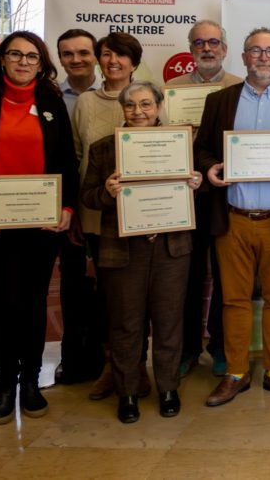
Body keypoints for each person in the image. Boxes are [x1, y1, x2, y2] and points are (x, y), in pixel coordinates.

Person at [0, 31, 77, 424]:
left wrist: (67, 206)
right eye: (15, 54)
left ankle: (31, 383)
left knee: (33, 304)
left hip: (41, 223)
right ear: (1, 59)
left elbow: (66, 159)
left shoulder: (51, 100)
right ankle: (6, 384)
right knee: (1, 304)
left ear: (41, 63)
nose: (23, 62)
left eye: (32, 56)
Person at [194, 28, 270, 406]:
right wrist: (211, 168)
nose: (263, 58)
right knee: (234, 300)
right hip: (233, 219)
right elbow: (202, 149)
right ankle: (236, 372)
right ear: (243, 57)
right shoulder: (219, 101)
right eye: (256, 51)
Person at [80, 81, 202, 423]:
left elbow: (196, 188)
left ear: (159, 106)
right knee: (125, 324)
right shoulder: (104, 148)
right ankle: (128, 392)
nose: (138, 111)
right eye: (131, 105)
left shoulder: (181, 144)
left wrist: (196, 184)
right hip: (122, 249)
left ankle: (168, 388)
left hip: (171, 247)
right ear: (122, 109)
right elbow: (88, 196)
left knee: (169, 321)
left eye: (146, 104)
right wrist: (106, 192)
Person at [71, 31, 149, 400]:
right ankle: (113, 367)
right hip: (99, 215)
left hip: (146, 216)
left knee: (143, 298)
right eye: (106, 54)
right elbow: (76, 156)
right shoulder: (85, 102)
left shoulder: (148, 97)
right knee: (110, 299)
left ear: (134, 62)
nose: (113, 61)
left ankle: (140, 366)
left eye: (121, 55)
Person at [169, 19, 241, 379]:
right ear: (191, 49)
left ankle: (221, 347)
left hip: (226, 192)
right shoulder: (171, 90)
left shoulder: (240, 89)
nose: (207, 49)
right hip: (185, 195)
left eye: (213, 43)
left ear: (224, 49)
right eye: (200, 43)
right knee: (188, 275)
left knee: (228, 276)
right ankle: (188, 348)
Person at [54, 28, 103, 385]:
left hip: (114, 210)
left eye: (83, 52)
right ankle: (72, 359)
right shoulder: (51, 98)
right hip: (71, 209)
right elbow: (64, 159)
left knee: (111, 291)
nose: (76, 60)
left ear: (96, 56)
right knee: (73, 287)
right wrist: (69, 209)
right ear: (59, 58)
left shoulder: (121, 93)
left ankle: (104, 359)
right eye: (68, 54)